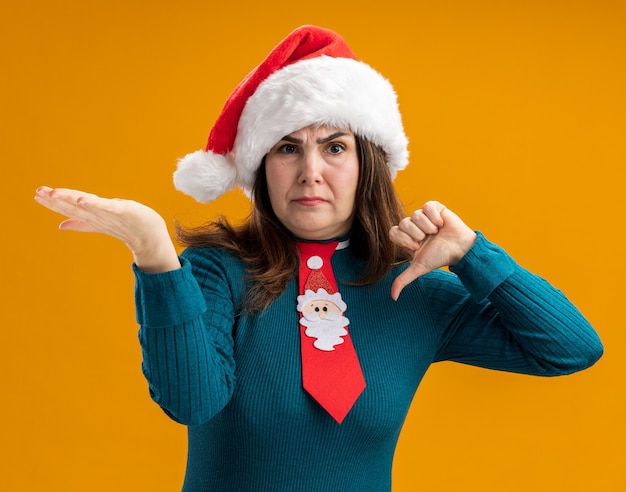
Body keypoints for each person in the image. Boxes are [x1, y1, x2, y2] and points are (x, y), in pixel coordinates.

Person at [34, 25, 603, 491]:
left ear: (368, 165)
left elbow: (572, 349)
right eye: (287, 147)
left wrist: (476, 255)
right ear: (261, 169)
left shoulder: (416, 287)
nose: (310, 171)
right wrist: (156, 255)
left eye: (335, 147)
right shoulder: (215, 271)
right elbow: (190, 400)